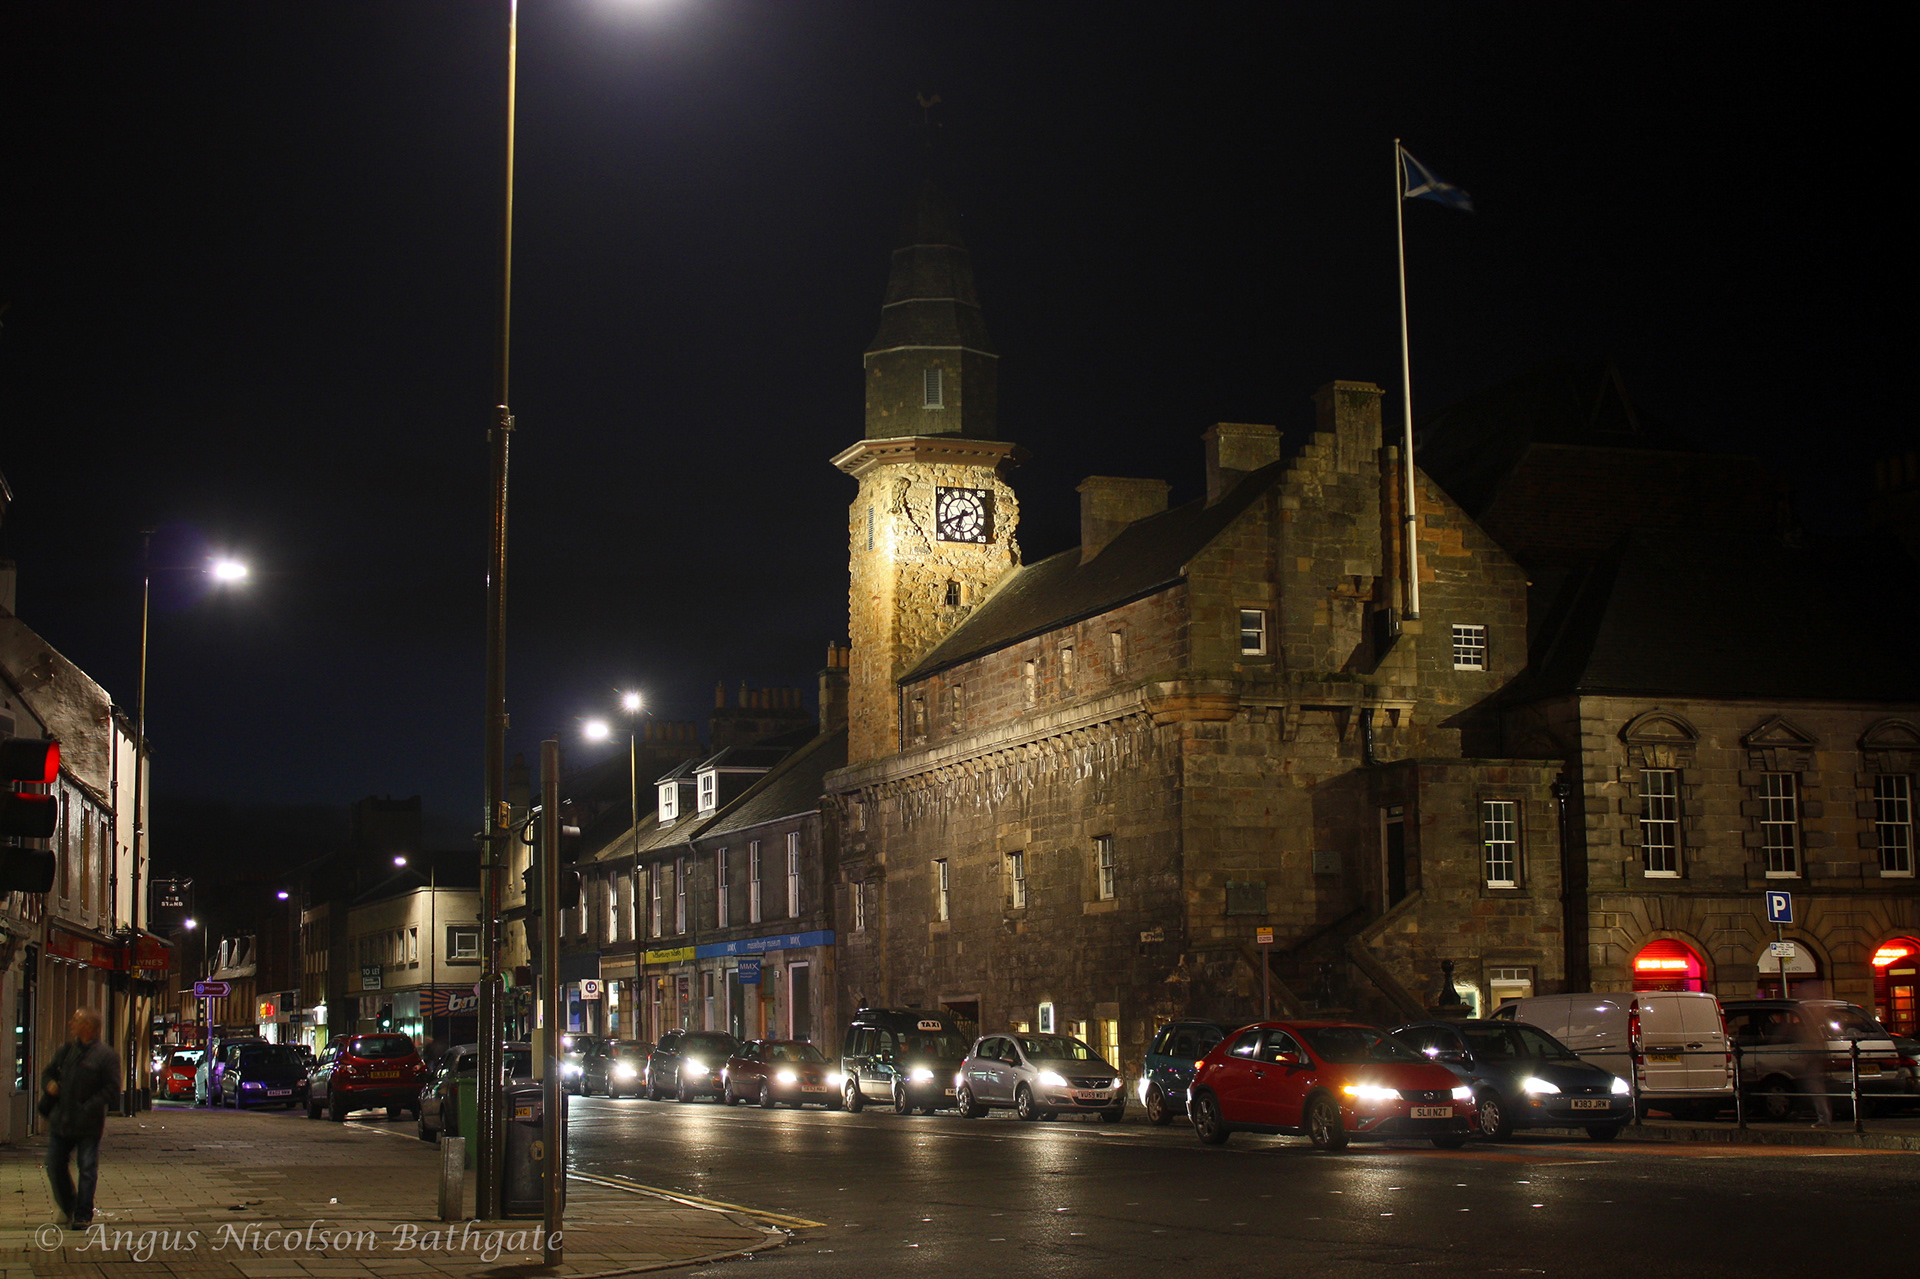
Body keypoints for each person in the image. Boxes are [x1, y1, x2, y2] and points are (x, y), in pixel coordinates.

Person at [41, 1007, 121, 1227]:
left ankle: (83, 1213)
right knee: (54, 1164)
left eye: (75, 1020)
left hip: (88, 1122)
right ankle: (69, 1205)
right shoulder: (65, 1052)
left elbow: (112, 1088)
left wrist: (89, 1106)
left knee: (87, 1167)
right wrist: (48, 1084)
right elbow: (48, 1072)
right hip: (62, 1120)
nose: (70, 1023)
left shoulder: (106, 1056)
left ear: (89, 1027)